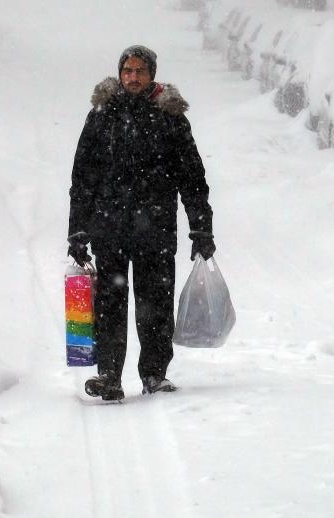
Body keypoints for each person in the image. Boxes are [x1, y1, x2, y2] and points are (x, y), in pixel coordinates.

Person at [67, 44, 214, 401]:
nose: (132, 77)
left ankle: (153, 374)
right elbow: (83, 177)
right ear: (120, 74)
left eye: (139, 71)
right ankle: (109, 375)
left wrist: (201, 227)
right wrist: (78, 230)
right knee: (109, 305)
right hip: (110, 228)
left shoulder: (170, 117)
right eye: (127, 71)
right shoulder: (102, 114)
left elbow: (192, 177)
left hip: (156, 230)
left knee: (155, 305)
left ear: (152, 75)